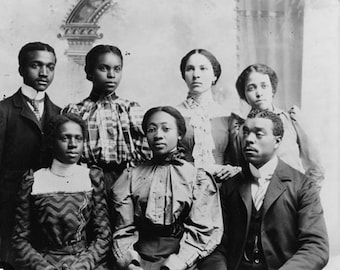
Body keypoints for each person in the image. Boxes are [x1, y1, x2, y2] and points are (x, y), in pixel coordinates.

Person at [198, 110, 329, 270]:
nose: (249, 140)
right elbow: (216, 244)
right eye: (245, 133)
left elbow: (316, 247)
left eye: (258, 134)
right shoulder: (230, 185)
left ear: (277, 141)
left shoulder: (302, 186)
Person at [111, 106, 223, 270]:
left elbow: (202, 230)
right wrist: (131, 262)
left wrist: (178, 263)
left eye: (166, 129)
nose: (158, 135)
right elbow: (123, 229)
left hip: (181, 257)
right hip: (138, 256)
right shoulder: (130, 177)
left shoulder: (196, 178)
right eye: (151, 129)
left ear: (179, 134)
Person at [12, 114, 111, 270]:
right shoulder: (33, 180)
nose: (72, 144)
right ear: (52, 142)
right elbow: (19, 239)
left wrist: (81, 266)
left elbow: (103, 237)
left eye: (78, 138)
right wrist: (44, 268)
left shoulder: (92, 178)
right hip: (44, 262)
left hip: (85, 262)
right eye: (65, 138)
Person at [0, 41, 61, 266]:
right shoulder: (4, 111)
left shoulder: (59, 113)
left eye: (50, 66)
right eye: (36, 65)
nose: (44, 73)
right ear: (21, 69)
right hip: (9, 207)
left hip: (46, 206)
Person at [62, 44, 149, 195]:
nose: (111, 75)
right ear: (89, 72)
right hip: (86, 179)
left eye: (117, 69)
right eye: (103, 68)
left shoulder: (130, 109)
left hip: (126, 181)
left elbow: (145, 153)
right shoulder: (77, 111)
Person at [232, 63, 324, 186]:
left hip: (291, 197)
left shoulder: (291, 120)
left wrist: (306, 198)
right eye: (251, 88)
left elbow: (315, 168)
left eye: (264, 86)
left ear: (272, 89)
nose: (259, 93)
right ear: (244, 95)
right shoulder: (240, 129)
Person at [177, 48, 241, 183]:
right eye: (190, 69)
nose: (196, 75)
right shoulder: (173, 115)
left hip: (222, 188)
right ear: (183, 75)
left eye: (203, 68)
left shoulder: (229, 116)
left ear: (215, 76)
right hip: (183, 185)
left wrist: (232, 169)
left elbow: (238, 159)